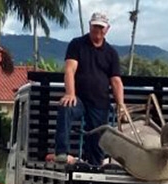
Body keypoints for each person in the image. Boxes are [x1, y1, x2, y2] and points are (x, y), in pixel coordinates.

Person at [52, 11, 128, 165]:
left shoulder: (111, 53)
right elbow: (69, 69)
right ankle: (61, 152)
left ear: (107, 29)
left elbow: (116, 81)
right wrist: (70, 93)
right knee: (65, 107)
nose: (98, 31)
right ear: (90, 26)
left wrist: (121, 105)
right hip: (78, 98)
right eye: (95, 27)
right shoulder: (77, 44)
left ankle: (94, 168)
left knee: (97, 139)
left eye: (101, 28)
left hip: (100, 102)